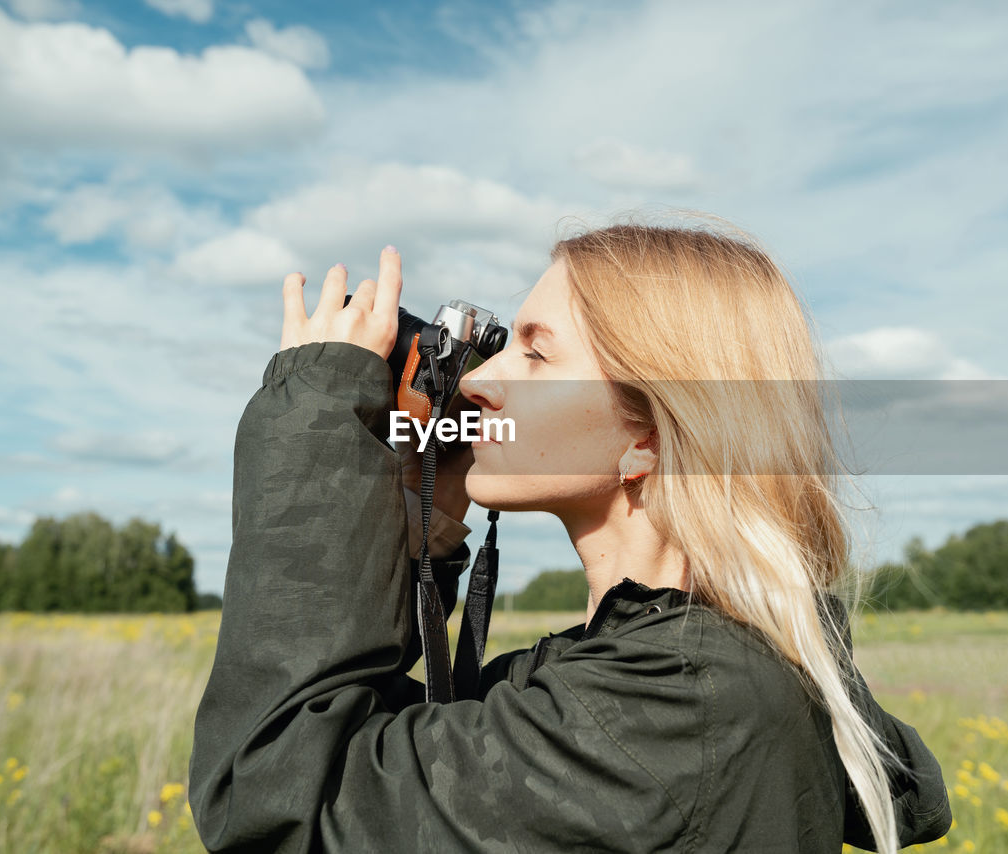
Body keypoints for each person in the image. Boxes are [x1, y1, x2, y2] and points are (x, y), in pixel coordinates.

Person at [188, 221, 952, 853]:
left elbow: (272, 800)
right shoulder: (648, 673)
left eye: (535, 352)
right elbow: (371, 751)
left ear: (648, 438)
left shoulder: (681, 703)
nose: (483, 381)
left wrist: (319, 414)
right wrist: (432, 508)